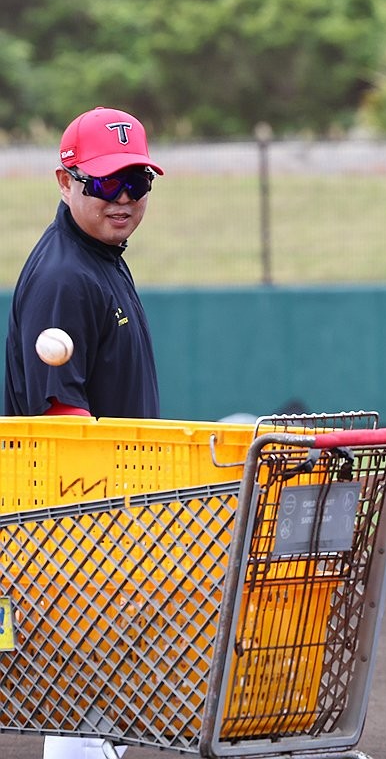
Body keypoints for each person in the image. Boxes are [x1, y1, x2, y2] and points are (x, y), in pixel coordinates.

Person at [4, 106, 163, 758]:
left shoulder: (99, 255)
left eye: (137, 182)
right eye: (103, 183)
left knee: (99, 695)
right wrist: (108, 519)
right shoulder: (68, 276)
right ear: (65, 182)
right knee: (85, 692)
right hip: (77, 513)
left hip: (100, 513)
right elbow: (58, 421)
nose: (122, 198)